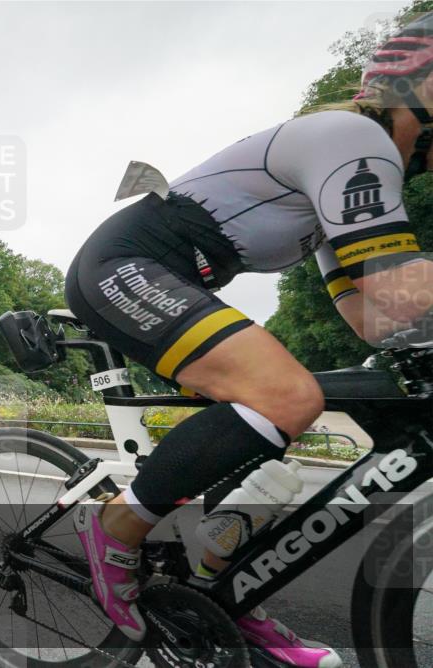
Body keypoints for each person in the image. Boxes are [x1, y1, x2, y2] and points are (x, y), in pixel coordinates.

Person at [64, 14, 433, 668]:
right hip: (124, 265)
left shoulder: (356, 183)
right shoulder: (352, 138)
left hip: (174, 279)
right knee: (288, 394)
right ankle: (116, 528)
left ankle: (222, 592)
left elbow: (377, 315)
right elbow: (398, 284)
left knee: (281, 428)